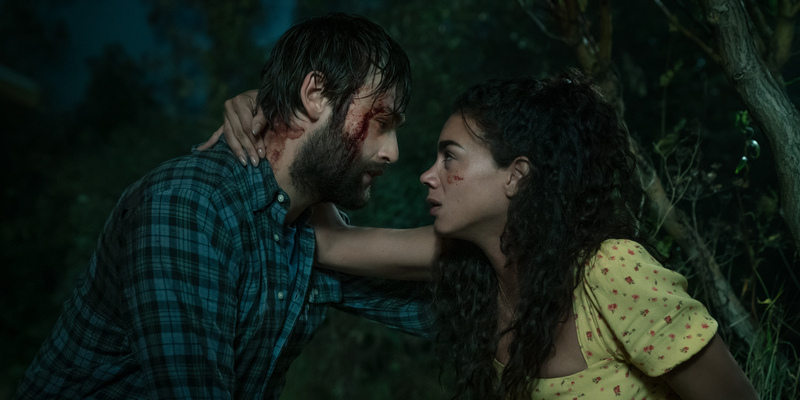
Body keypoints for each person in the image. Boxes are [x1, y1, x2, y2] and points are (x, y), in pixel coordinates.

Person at [220, 70, 759, 399]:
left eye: (449, 157)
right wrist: (280, 119)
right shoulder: (471, 264)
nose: (427, 174)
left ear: (516, 176)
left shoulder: (610, 270)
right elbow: (330, 242)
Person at [14, 13, 433, 399]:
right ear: (315, 95)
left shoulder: (301, 229)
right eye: (381, 122)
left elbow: (449, 314)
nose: (393, 152)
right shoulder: (189, 208)